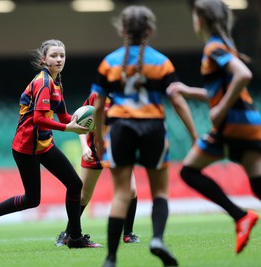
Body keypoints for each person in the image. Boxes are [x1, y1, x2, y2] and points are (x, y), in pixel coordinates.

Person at [92, 6, 198, 267]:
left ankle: (111, 258)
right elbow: (178, 101)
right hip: (153, 128)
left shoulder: (109, 63)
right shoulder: (161, 62)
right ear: (150, 31)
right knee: (160, 191)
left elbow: (97, 106)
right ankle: (158, 239)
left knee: (120, 194)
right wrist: (195, 136)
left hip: (120, 128)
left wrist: (98, 137)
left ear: (121, 30)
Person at [0, 39, 101, 248]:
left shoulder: (57, 81)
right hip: (26, 147)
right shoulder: (43, 83)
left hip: (43, 143)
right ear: (44, 60)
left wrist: (88, 122)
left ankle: (75, 238)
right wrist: (71, 129)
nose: (59, 59)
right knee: (33, 199)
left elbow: (63, 117)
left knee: (75, 184)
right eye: (54, 55)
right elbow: (38, 119)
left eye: (62, 55)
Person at [166, 0, 259, 255]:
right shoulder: (225, 45)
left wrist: (221, 109)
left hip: (234, 124)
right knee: (257, 185)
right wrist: (187, 90)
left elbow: (244, 75)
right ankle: (240, 216)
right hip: (248, 123)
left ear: (201, 20)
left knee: (188, 172)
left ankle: (240, 216)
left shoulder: (214, 48)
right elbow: (219, 92)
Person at [54, 92, 140, 247]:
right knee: (84, 196)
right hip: (95, 150)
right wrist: (85, 146)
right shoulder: (97, 95)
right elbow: (80, 121)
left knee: (131, 190)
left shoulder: (130, 96)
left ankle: (128, 234)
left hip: (119, 151)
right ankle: (67, 234)